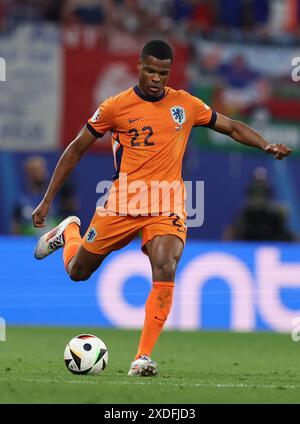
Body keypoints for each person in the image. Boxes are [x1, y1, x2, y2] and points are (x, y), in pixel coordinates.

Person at [32, 39, 291, 377]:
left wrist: (264, 143)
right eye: (151, 70)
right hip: (122, 202)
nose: (156, 78)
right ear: (139, 65)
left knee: (165, 265)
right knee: (78, 272)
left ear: (170, 73)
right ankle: (69, 230)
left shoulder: (185, 103)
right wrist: (47, 198)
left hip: (166, 203)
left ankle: (142, 357)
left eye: (163, 73)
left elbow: (229, 126)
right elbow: (76, 148)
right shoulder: (115, 107)